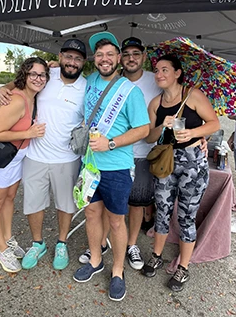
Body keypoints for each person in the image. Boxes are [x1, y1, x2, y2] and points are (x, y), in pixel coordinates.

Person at [0, 39, 87, 271]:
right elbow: (19, 83)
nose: (72, 62)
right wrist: (3, 89)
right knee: (34, 203)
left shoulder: (86, 87)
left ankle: (61, 243)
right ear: (60, 57)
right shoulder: (47, 77)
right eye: (68, 56)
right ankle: (38, 243)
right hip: (35, 155)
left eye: (77, 58)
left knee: (65, 204)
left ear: (84, 62)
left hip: (68, 158)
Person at [73, 32, 150, 301]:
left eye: (109, 54)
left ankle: (118, 270)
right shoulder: (91, 79)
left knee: (116, 221)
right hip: (89, 165)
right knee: (92, 215)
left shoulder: (130, 91)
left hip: (117, 167)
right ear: (95, 59)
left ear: (118, 58)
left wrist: (112, 143)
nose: (104, 59)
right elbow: (62, 75)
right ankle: (96, 260)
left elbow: (143, 128)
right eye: (100, 54)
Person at [141, 54, 219, 292]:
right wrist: (160, 126)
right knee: (162, 210)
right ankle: (156, 255)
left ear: (177, 73)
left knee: (186, 215)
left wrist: (194, 133)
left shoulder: (193, 95)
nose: (160, 74)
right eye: (157, 70)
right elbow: (148, 137)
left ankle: (183, 267)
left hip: (193, 163)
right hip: (166, 161)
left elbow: (214, 123)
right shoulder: (155, 103)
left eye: (165, 69)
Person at [0, 57, 48, 273]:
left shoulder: (32, 95)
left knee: (10, 198)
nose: (38, 78)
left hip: (16, 157)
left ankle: (8, 239)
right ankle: (2, 248)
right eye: (33, 73)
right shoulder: (16, 100)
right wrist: (29, 133)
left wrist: (52, 64)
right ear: (24, 74)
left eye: (42, 74)